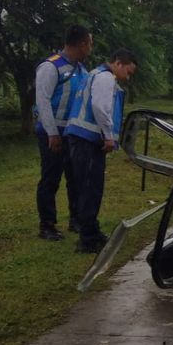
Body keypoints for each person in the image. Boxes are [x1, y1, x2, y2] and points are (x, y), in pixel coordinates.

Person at [63, 48, 138, 253]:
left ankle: (91, 231)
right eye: (128, 72)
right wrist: (108, 135)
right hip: (88, 139)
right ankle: (87, 239)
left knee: (90, 188)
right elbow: (99, 107)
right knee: (90, 189)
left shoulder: (94, 74)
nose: (128, 78)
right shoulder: (106, 78)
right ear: (119, 63)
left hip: (82, 139)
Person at [34, 25, 92, 241]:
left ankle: (75, 219)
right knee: (50, 177)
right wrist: (52, 133)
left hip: (73, 133)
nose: (91, 48)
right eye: (90, 43)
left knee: (75, 177)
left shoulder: (81, 69)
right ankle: (47, 224)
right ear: (82, 44)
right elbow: (43, 101)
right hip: (53, 132)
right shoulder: (51, 67)